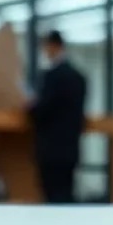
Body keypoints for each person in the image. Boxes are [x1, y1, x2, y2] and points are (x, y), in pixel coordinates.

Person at [27, 30, 87, 204]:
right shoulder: (79, 78)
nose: (44, 52)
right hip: (70, 149)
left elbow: (41, 111)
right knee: (66, 197)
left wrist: (29, 107)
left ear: (53, 46)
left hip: (50, 151)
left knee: (52, 199)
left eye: (45, 47)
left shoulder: (51, 77)